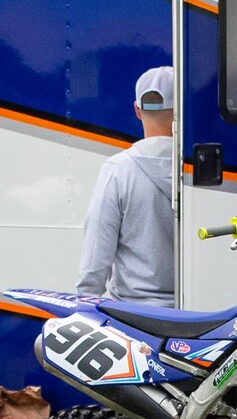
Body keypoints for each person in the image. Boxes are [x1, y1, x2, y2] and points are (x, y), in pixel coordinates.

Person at [75, 65, 177, 305]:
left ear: (137, 111)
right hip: (196, 315)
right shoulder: (201, 173)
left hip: (134, 318)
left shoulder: (118, 170)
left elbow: (95, 257)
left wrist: (85, 303)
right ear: (181, 110)